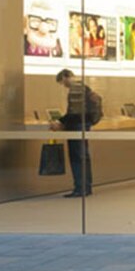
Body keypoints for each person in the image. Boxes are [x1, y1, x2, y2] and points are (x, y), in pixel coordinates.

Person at [50, 69, 102, 198]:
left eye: (62, 82)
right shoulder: (85, 88)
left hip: (77, 127)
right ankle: (86, 187)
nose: (64, 86)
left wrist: (60, 122)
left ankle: (80, 188)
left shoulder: (76, 89)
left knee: (77, 158)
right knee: (84, 157)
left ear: (66, 77)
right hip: (84, 125)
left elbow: (74, 113)